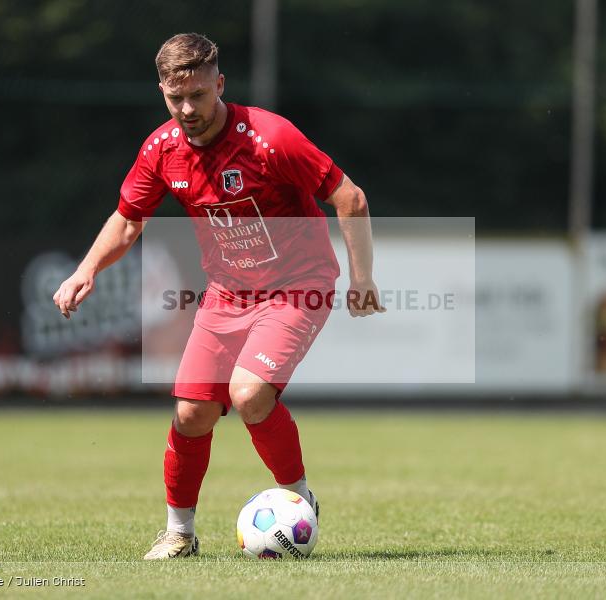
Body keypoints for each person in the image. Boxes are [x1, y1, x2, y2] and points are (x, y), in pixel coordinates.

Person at [53, 32, 384, 560]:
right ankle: (179, 534)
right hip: (227, 294)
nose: (188, 109)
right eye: (175, 98)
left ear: (220, 84)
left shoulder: (270, 138)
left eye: (199, 95)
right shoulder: (161, 150)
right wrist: (86, 269)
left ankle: (300, 501)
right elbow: (129, 220)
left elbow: (351, 197)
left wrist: (362, 278)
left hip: (297, 286)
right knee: (191, 413)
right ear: (162, 92)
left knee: (249, 395)